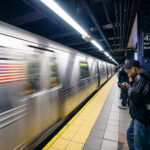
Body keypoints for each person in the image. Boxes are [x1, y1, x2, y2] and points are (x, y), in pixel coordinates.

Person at [124, 60, 150, 150]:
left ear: (133, 68)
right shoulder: (143, 76)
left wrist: (130, 83)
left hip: (141, 115)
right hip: (139, 114)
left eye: (129, 72)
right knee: (130, 134)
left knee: (140, 144)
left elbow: (134, 96)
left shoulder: (141, 77)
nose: (128, 75)